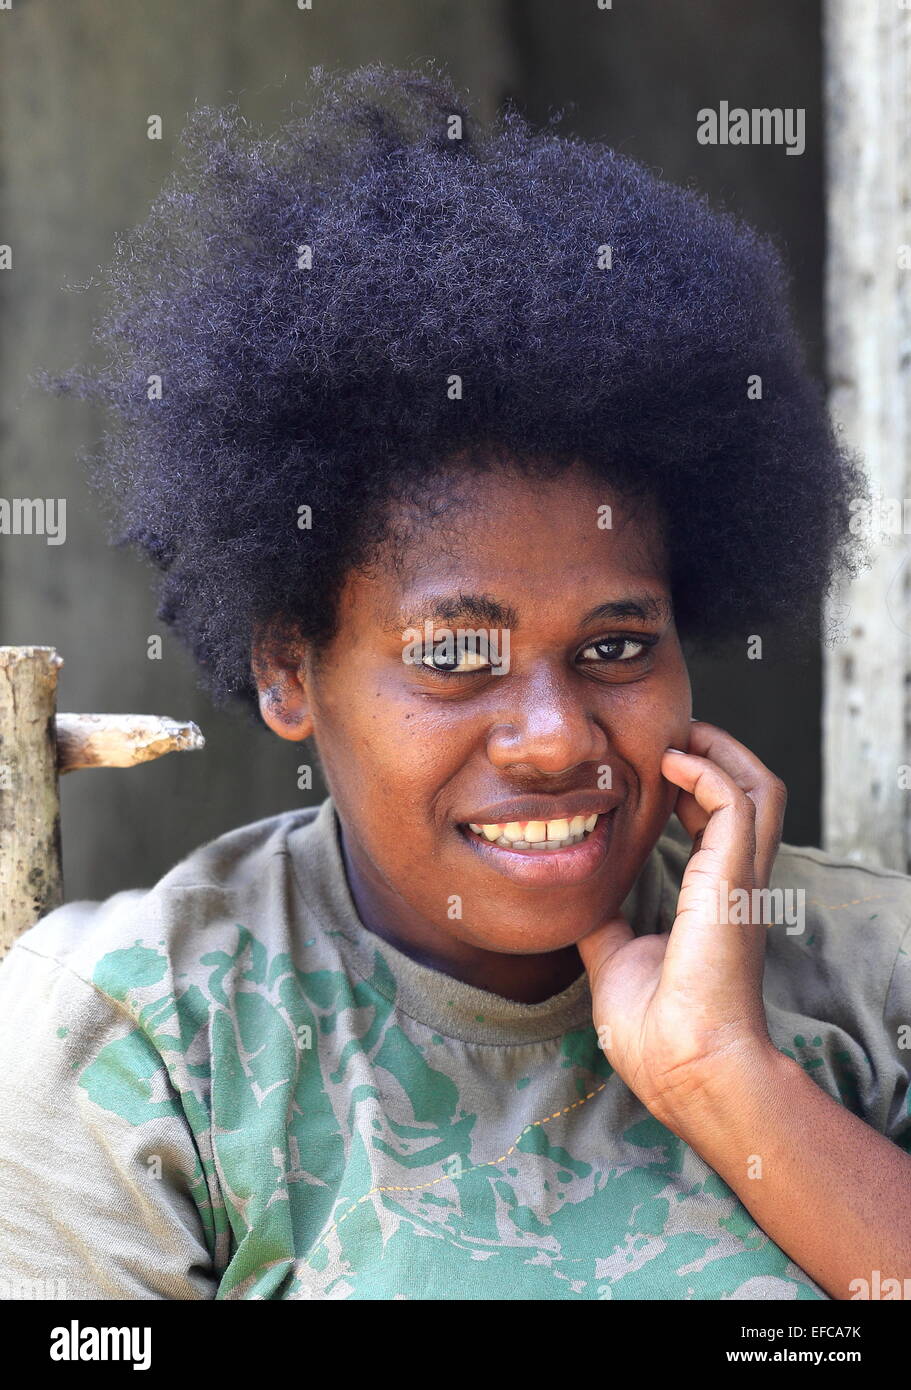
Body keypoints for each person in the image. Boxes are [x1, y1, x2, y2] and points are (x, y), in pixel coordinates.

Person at [1, 61, 908, 1302]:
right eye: (451, 657)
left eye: (614, 645)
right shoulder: (139, 1033)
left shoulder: (867, 973)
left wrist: (718, 1069)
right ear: (289, 672)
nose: (550, 737)